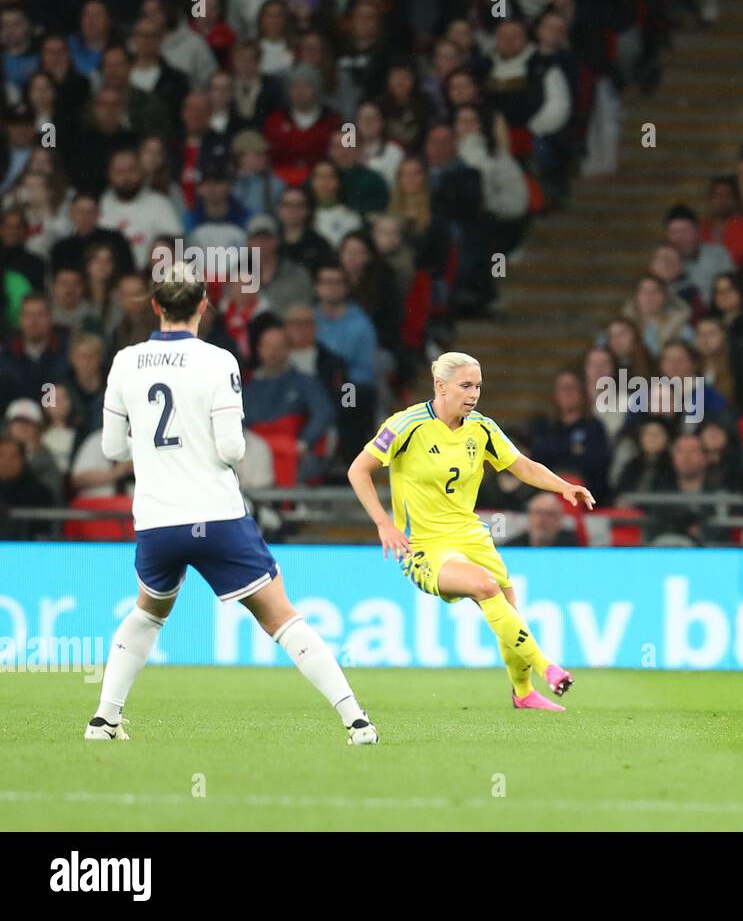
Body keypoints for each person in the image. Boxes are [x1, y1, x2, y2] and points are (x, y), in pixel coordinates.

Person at [87, 265, 377, 744]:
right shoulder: (218, 360)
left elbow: (114, 450)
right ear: (204, 305)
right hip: (216, 516)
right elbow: (232, 451)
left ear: (156, 306)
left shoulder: (124, 361)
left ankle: (104, 719)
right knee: (281, 616)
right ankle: (357, 721)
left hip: (157, 519)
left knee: (147, 614)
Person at [347, 351, 593, 712]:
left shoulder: (482, 427)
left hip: (470, 534)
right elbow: (358, 470)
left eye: (478, 385)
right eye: (465, 386)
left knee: (509, 607)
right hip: (424, 545)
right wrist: (384, 524)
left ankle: (523, 693)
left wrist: (562, 487)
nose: (473, 394)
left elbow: (521, 466)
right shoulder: (406, 424)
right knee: (484, 587)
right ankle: (548, 668)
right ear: (440, 386)